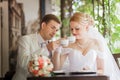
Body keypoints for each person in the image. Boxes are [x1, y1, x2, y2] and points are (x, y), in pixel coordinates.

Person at [52, 12, 120, 80]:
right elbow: (57, 69)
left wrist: (91, 71)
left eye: (77, 29)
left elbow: (101, 69)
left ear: (87, 28)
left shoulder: (97, 43)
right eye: (72, 29)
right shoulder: (68, 45)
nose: (73, 32)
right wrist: (57, 49)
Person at [12, 14, 61, 80]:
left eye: (57, 30)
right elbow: (23, 63)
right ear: (43, 25)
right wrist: (46, 48)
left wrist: (58, 50)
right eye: (52, 28)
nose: (55, 32)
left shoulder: (52, 46)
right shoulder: (25, 40)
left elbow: (54, 70)